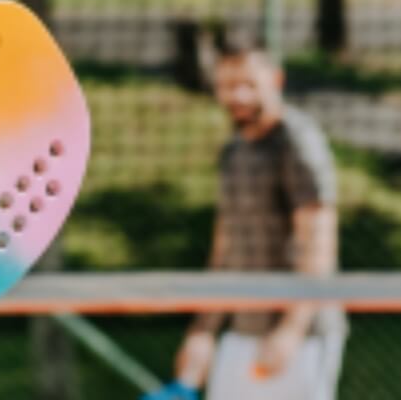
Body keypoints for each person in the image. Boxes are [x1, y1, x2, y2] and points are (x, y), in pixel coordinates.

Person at [144, 35, 347, 400]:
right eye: (227, 85)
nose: (237, 96)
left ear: (276, 81)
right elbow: (226, 247)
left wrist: (291, 331)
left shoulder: (296, 141)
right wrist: (203, 331)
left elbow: (318, 240)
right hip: (243, 330)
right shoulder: (233, 151)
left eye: (248, 85)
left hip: (301, 337)